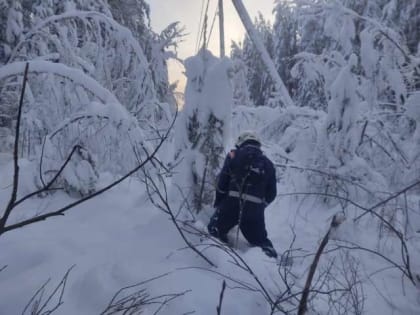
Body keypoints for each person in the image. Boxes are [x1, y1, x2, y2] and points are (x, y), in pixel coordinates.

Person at [207, 131, 278, 258]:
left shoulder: (233, 155)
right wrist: (260, 205)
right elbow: (272, 193)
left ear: (241, 143)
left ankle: (221, 256)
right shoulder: (268, 164)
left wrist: (219, 204)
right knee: (260, 241)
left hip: (231, 204)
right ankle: (272, 261)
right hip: (255, 210)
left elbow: (222, 183)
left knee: (214, 230)